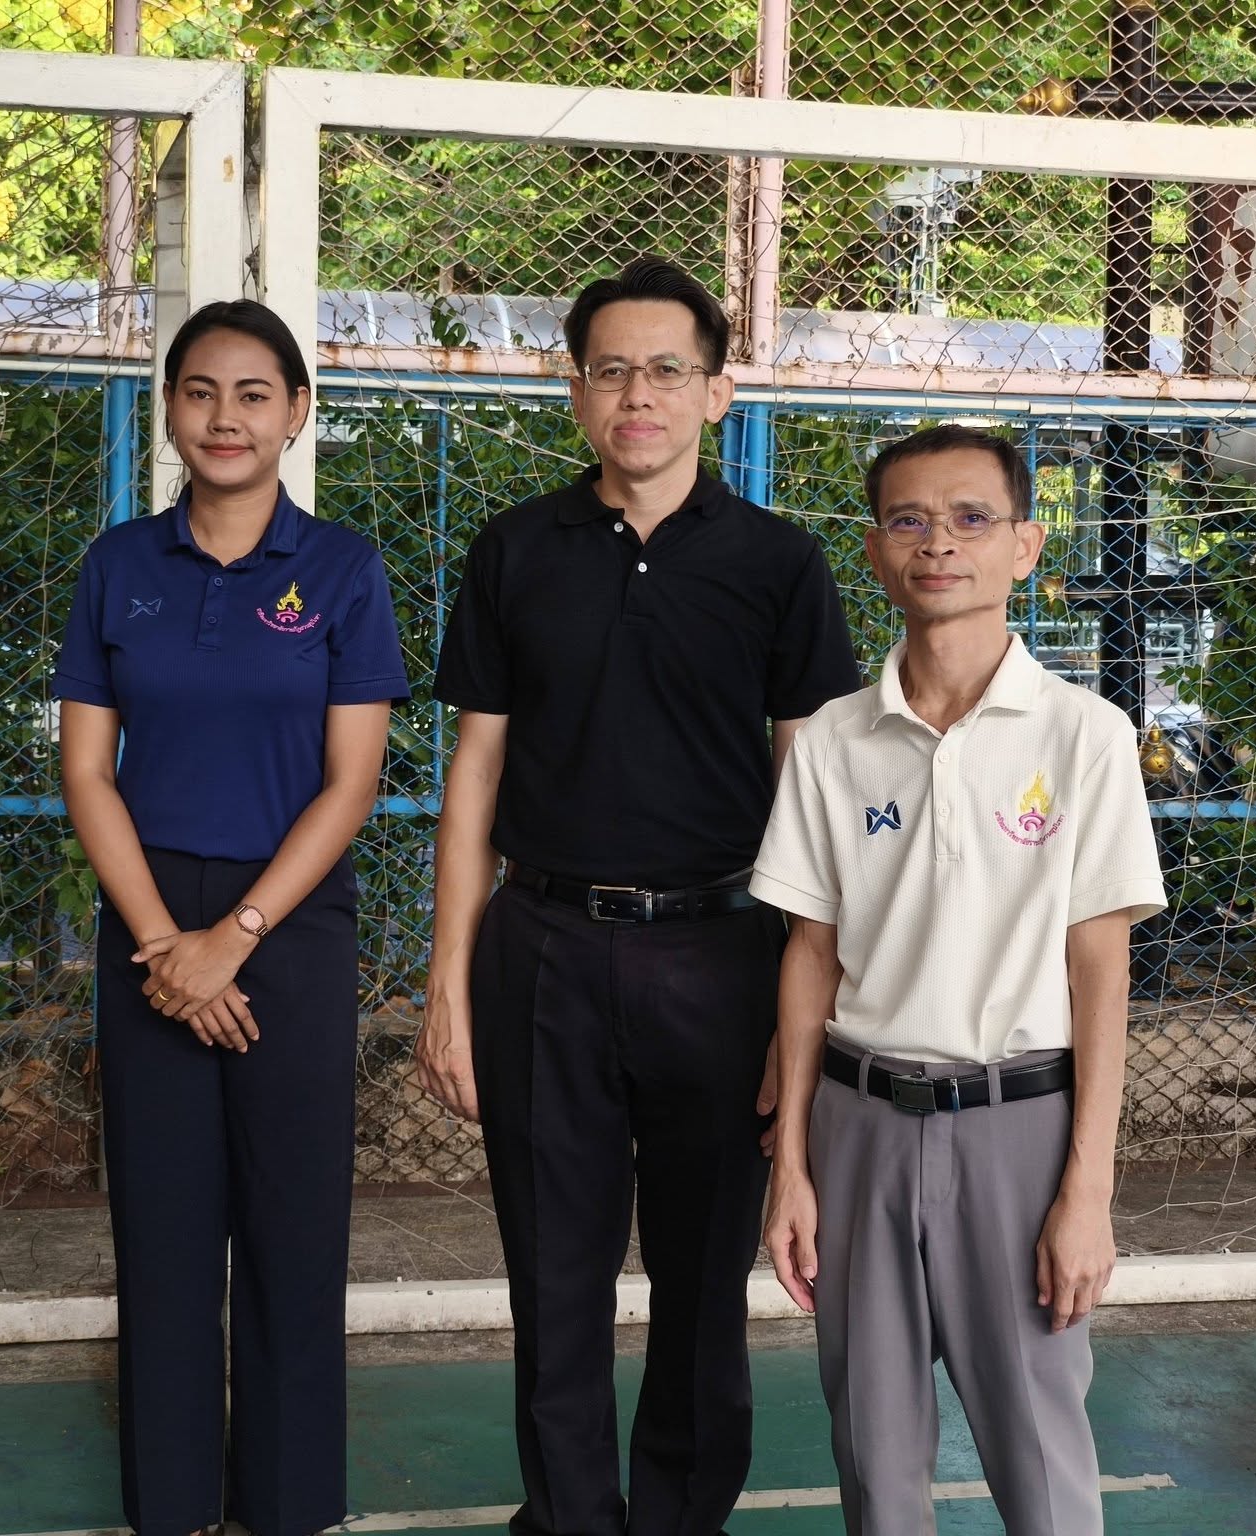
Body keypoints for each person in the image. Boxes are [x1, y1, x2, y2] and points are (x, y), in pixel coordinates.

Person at [414, 255, 862, 1535]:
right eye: (609, 370)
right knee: (551, 1278)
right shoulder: (516, 550)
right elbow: (474, 774)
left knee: (701, 1282)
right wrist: (447, 985)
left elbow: (812, 797)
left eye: (667, 370)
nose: (637, 395)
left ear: (716, 392)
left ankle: (677, 1517)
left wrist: (804, 1015)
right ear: (577, 393)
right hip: (543, 950)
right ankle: (566, 1517)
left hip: (722, 959)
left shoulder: (777, 563)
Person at [752, 424, 1167, 1536]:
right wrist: (791, 1168)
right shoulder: (833, 741)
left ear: (1025, 546)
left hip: (1018, 1131)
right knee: (875, 1460)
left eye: (971, 518)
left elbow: (1099, 968)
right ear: (876, 551)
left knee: (1041, 1466)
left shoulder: (1084, 736)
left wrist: (1087, 1192)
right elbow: (809, 955)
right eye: (909, 520)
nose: (939, 542)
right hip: (860, 1129)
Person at [53, 300, 410, 1536]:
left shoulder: (343, 569)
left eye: (254, 394)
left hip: (287, 925)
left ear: (295, 413)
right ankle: (171, 1506)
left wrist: (233, 938)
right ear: (168, 410)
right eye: (200, 391)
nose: (225, 417)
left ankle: (288, 1504)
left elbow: (350, 784)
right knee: (161, 1230)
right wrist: (165, 946)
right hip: (148, 922)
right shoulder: (116, 566)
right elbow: (87, 772)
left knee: (291, 1227)